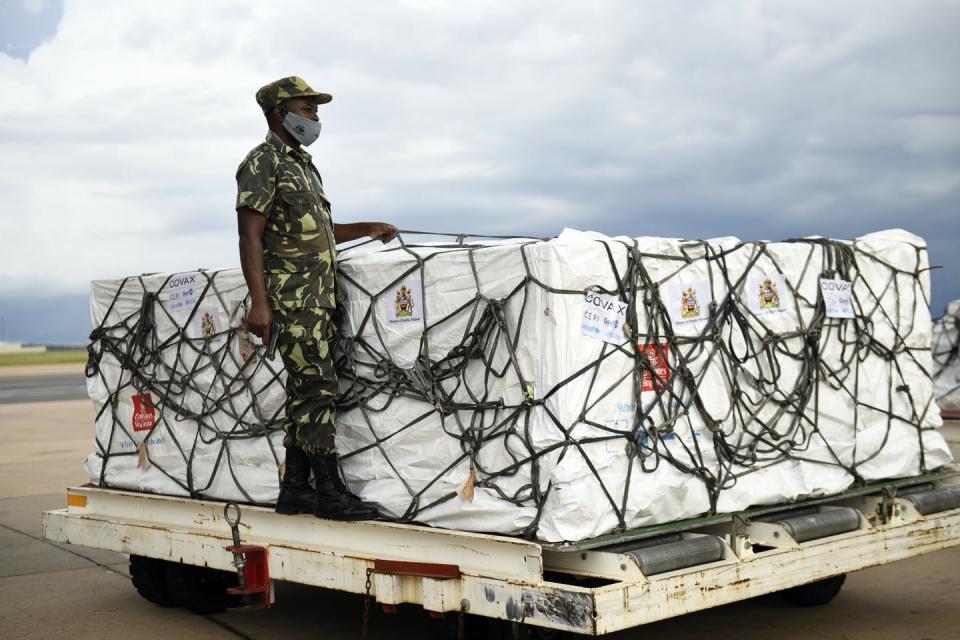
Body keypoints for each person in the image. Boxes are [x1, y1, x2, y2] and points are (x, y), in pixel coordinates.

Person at [235, 76, 397, 520]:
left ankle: (295, 490)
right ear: (278, 114)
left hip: (318, 297)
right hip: (291, 300)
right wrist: (259, 303)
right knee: (318, 387)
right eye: (307, 109)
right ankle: (328, 493)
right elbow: (250, 235)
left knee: (306, 390)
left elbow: (317, 232)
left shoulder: (303, 165)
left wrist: (367, 228)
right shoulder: (262, 162)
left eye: (315, 109)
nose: (316, 115)